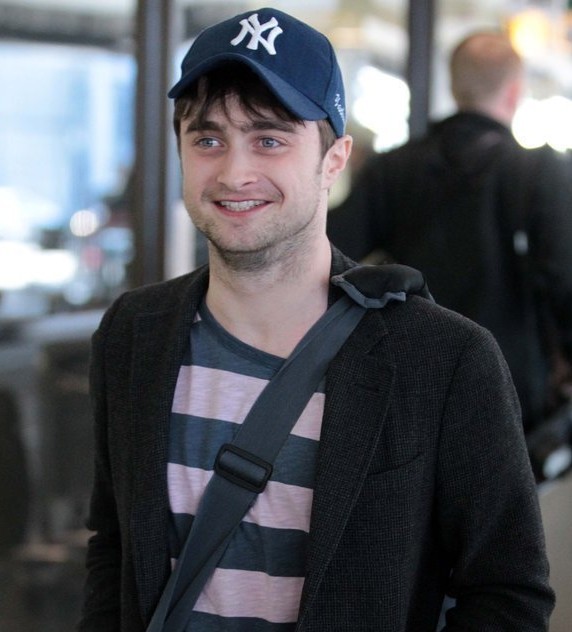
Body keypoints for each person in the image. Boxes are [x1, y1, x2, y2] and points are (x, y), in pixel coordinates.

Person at [78, 10, 554, 631]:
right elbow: (114, 549)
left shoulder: (443, 359)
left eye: (269, 139)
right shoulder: (134, 333)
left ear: (334, 160)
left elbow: (508, 595)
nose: (234, 172)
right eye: (208, 139)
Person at [327, 30, 572, 436]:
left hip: (407, 382)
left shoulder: (393, 169)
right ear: (514, 93)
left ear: (455, 87)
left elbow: (330, 253)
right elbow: (565, 278)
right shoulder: (538, 173)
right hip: (511, 394)